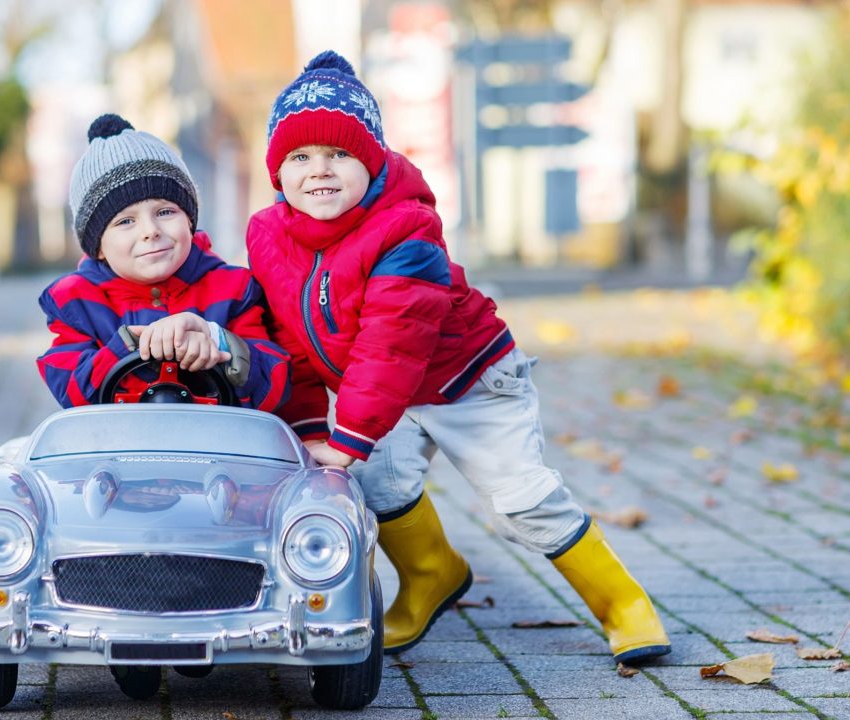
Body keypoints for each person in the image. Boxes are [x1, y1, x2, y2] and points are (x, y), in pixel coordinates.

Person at [245, 51, 670, 664]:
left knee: (521, 502)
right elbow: (290, 340)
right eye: (300, 157)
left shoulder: (404, 228)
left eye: (339, 153)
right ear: (277, 171)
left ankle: (623, 604)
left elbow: (392, 344)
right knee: (370, 481)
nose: (320, 171)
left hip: (469, 381)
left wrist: (351, 435)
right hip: (387, 396)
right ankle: (432, 575)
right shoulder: (269, 236)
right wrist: (315, 428)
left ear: (372, 161)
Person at [38, 114, 289, 412]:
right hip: (118, 440)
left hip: (216, 437)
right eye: (126, 221)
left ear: (190, 221)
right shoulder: (76, 303)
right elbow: (71, 394)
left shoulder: (233, 289)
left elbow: (276, 386)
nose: (150, 231)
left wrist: (217, 341)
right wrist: (125, 347)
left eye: (165, 212)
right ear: (99, 247)